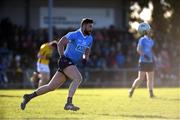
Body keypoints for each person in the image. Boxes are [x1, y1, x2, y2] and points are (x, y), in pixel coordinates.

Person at [20, 18, 94, 111]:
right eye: (90, 26)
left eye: (92, 26)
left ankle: (28, 97)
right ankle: (69, 103)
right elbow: (60, 43)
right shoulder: (74, 34)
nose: (91, 28)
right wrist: (62, 57)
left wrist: (85, 58)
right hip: (66, 61)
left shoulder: (90, 38)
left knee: (50, 87)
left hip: (71, 64)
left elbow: (87, 49)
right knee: (78, 78)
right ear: (83, 26)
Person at [129, 22, 155, 98]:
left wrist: (152, 58)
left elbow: (151, 51)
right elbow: (138, 49)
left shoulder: (151, 41)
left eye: (151, 31)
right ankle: (132, 90)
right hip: (143, 61)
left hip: (150, 62)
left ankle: (151, 93)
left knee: (150, 78)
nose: (151, 32)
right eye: (150, 31)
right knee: (140, 78)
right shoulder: (142, 39)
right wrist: (144, 55)